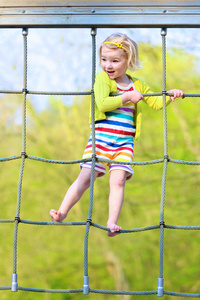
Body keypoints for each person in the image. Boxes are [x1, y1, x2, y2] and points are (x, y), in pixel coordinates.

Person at [50, 33, 184, 237]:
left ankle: (112, 223)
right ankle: (62, 212)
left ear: (128, 61)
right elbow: (102, 103)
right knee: (86, 177)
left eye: (114, 60)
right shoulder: (103, 79)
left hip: (124, 143)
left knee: (119, 181)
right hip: (101, 139)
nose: (108, 65)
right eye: (104, 60)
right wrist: (126, 97)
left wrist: (170, 96)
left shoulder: (137, 84)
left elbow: (155, 103)